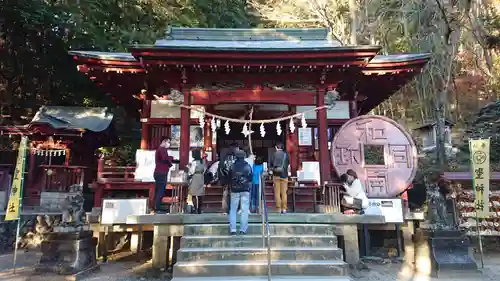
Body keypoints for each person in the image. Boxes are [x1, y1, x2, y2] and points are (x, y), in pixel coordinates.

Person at [228, 150, 252, 235]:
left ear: (236, 157)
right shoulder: (247, 166)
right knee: (244, 210)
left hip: (234, 189)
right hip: (245, 189)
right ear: (244, 156)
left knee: (233, 210)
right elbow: (250, 178)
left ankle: (233, 229)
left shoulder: (232, 166)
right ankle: (243, 229)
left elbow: (229, 177)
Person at [153, 137, 174, 213]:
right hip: (161, 172)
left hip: (158, 172)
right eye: (168, 142)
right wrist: (172, 158)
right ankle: (157, 208)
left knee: (158, 190)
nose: (169, 144)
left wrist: (170, 161)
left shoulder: (159, 149)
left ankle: (156, 206)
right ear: (164, 141)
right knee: (160, 190)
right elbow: (164, 158)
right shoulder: (162, 149)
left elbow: (165, 159)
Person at [218, 143, 239, 213]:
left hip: (226, 178)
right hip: (233, 179)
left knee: (225, 194)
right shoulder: (235, 158)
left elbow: (221, 168)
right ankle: (233, 209)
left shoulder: (224, 157)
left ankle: (225, 209)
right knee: (233, 195)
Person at [270, 143, 289, 214]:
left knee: (277, 193)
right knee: (284, 193)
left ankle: (278, 209)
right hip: (284, 175)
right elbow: (288, 165)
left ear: (276, 147)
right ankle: (284, 209)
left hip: (276, 175)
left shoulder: (274, 154)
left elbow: (271, 164)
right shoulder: (286, 155)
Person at [188, 150, 205, 214]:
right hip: (201, 177)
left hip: (195, 177)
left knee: (193, 194)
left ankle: (195, 208)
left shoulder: (194, 162)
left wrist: (188, 173)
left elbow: (191, 171)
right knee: (200, 195)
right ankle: (200, 209)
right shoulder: (202, 161)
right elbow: (205, 169)